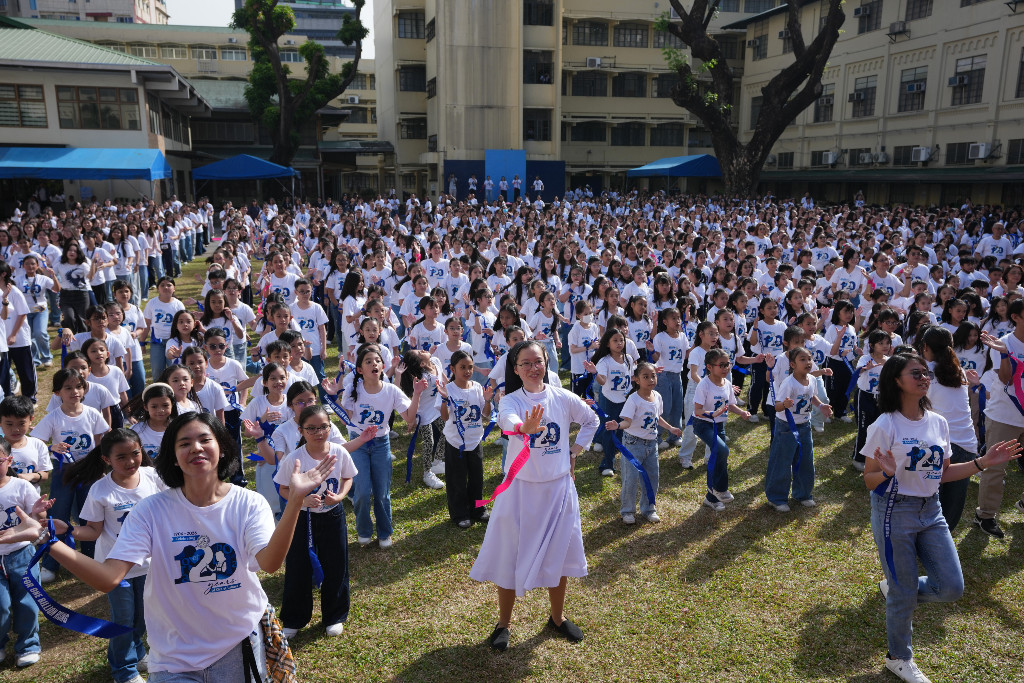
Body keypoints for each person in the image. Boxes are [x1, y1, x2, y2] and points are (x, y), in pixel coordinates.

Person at [0, 411, 338, 680]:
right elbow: (108, 577)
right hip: (173, 657)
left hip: (238, 644)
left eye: (205, 439)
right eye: (184, 443)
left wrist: (295, 501)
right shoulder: (150, 510)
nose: (196, 448)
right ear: (173, 457)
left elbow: (269, 563)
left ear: (222, 447)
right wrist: (45, 538)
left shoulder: (248, 503)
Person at [861, 353, 1021, 683]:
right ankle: (898, 657)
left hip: (931, 510)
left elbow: (942, 473)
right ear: (896, 380)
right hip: (894, 511)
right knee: (903, 591)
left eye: (925, 373)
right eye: (915, 373)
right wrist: (887, 473)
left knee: (951, 587)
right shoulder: (885, 425)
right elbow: (869, 480)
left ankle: (898, 589)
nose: (924, 377)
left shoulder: (938, 422)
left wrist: (983, 462)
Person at [470, 340, 599, 651]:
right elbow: (506, 420)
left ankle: (557, 618)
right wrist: (523, 428)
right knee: (510, 555)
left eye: (537, 361)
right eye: (525, 363)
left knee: (560, 554)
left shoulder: (562, 397)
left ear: (546, 362)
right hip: (520, 491)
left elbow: (591, 420)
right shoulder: (511, 400)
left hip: (558, 490)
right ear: (515, 369)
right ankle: (503, 623)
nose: (532, 368)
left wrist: (574, 452)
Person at [63, 429, 166, 683]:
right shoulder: (99, 490)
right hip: (116, 569)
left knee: (143, 617)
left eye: (135, 453)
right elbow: (93, 531)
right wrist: (66, 530)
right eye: (121, 457)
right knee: (123, 619)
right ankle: (124, 670)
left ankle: (138, 652)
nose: (131, 461)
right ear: (106, 459)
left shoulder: (154, 477)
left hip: (149, 565)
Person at [274, 405, 370, 640]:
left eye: (323, 427)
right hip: (301, 518)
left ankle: (334, 616)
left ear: (330, 427)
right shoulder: (294, 459)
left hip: (333, 516)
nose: (318, 433)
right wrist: (301, 499)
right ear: (301, 430)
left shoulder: (339, 452)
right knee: (298, 566)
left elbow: (347, 477)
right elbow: (283, 488)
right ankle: (294, 619)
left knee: (336, 565)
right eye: (311, 428)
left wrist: (339, 496)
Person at [604, 361, 682, 524]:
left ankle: (649, 509)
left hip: (652, 444)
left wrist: (671, 428)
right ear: (637, 380)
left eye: (653, 376)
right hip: (633, 444)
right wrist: (617, 425)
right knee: (630, 479)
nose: (651, 379)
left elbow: (657, 417)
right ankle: (627, 511)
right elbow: (627, 421)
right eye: (645, 377)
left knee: (653, 478)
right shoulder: (633, 400)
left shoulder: (657, 396)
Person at [765, 347, 833, 511]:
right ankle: (776, 498)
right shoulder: (788, 383)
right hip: (786, 427)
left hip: (804, 426)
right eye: (802, 359)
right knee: (782, 462)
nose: (808, 362)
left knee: (805, 461)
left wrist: (821, 406)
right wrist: (784, 404)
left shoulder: (812, 379)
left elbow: (812, 396)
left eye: (809, 358)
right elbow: (777, 406)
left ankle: (802, 494)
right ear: (792, 364)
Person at [0, 436, 45, 668]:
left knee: (27, 601)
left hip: (22, 553)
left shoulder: (21, 486)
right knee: (1, 605)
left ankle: (28, 645)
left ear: (9, 460)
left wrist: (39, 512)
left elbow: (38, 521)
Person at [437, 350, 493, 528]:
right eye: (462, 367)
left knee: (477, 478)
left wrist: (487, 401)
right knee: (457, 480)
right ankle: (460, 514)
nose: (467, 371)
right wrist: (444, 399)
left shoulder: (477, 387)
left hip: (475, 441)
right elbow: (445, 417)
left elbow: (485, 414)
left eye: (470, 367)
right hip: (455, 443)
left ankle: (478, 509)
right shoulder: (448, 389)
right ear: (453, 369)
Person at [691, 348, 752, 511]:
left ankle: (711, 498)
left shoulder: (727, 384)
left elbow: (730, 404)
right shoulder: (704, 385)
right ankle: (721, 489)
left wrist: (741, 412)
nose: (726, 368)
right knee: (722, 450)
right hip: (702, 424)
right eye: (722, 365)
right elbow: (697, 410)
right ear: (709, 367)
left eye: (728, 364)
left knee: (719, 457)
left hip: (719, 425)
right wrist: (712, 414)